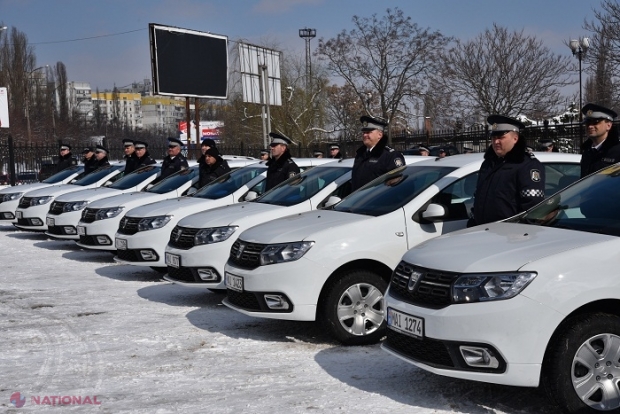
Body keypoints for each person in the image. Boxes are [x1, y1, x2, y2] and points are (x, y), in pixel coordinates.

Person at [469, 114, 546, 227]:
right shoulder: (488, 164)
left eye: (501, 138)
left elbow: (532, 209)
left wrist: (518, 233)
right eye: (494, 138)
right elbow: (480, 197)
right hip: (483, 232)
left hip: (509, 236)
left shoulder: (527, 165)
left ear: (515, 139)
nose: (496, 142)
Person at [351, 115, 405, 191]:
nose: (364, 135)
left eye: (368, 132)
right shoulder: (360, 154)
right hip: (359, 201)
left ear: (379, 135)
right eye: (363, 132)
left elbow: (397, 186)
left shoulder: (390, 155)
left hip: (378, 201)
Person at [579, 103, 620, 178]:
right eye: (588, 123)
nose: (590, 126)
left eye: (595, 122)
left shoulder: (617, 151)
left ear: (608, 125)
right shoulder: (587, 152)